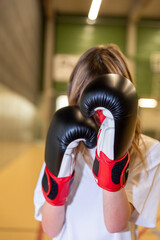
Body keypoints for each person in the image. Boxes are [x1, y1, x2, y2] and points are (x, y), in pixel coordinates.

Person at [34, 44, 160, 240]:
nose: (97, 115)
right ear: (76, 101)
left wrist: (112, 155)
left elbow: (114, 224)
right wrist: (58, 175)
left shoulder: (148, 151)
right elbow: (51, 229)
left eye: (106, 106)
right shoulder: (66, 145)